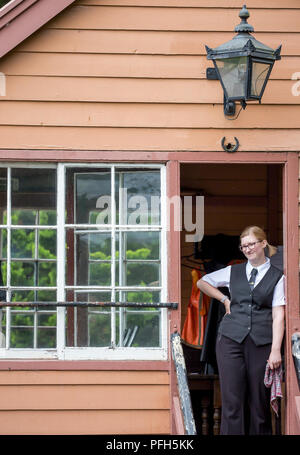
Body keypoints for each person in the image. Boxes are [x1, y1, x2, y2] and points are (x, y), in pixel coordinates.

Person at [197, 226, 285, 435]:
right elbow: (203, 282)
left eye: (251, 244)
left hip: (262, 343)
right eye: (243, 246)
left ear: (263, 243)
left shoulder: (278, 276)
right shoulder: (232, 271)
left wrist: (275, 350)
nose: (247, 249)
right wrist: (224, 299)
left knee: (259, 402)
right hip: (230, 340)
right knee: (232, 401)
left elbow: (278, 315)